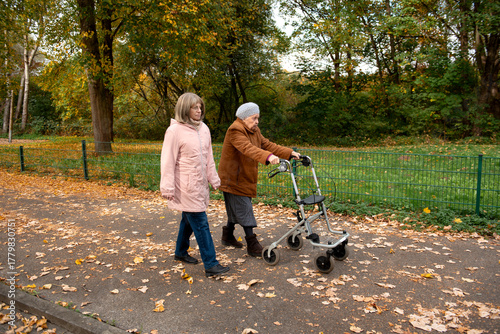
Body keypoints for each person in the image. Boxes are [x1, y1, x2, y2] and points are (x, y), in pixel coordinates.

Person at [160, 92, 229, 277]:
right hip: (184, 186)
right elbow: (167, 161)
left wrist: (213, 178)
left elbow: (209, 158)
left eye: (200, 107)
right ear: (185, 109)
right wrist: (167, 187)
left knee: (187, 219)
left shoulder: (204, 129)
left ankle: (180, 252)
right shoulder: (174, 131)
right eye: (194, 107)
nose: (199, 110)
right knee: (200, 222)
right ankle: (211, 264)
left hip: (199, 185)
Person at [218, 102, 300, 257]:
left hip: (243, 177)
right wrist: (268, 156)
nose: (257, 121)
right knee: (244, 208)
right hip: (233, 178)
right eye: (254, 118)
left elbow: (268, 145)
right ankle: (252, 244)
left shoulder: (254, 131)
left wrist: (289, 153)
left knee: (236, 207)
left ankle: (227, 235)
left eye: (258, 118)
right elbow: (247, 148)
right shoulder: (235, 130)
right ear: (243, 117)